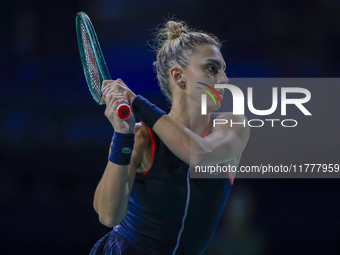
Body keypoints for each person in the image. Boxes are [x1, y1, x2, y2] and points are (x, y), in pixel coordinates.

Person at [89, 19, 250, 255]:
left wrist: (137, 102)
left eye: (223, 69)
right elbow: (108, 215)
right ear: (178, 76)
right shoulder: (142, 137)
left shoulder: (231, 125)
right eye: (211, 68)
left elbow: (198, 153)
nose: (224, 79)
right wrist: (122, 136)